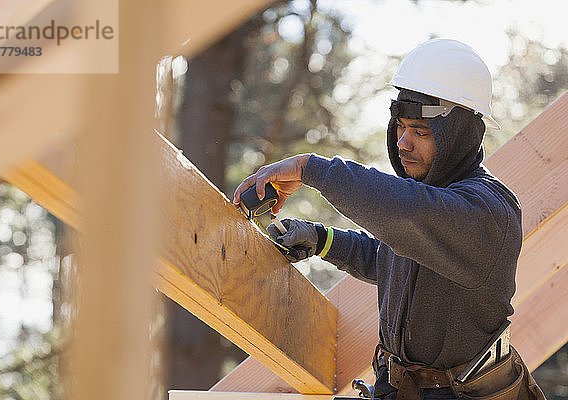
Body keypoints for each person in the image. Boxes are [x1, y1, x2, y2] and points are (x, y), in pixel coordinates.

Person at [233, 39, 545, 400]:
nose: (403, 143)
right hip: (399, 388)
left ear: (460, 135)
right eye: (400, 126)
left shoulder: (489, 211)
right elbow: (389, 257)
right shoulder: (427, 208)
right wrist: (321, 240)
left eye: (421, 131)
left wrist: (311, 170)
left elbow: (409, 215)